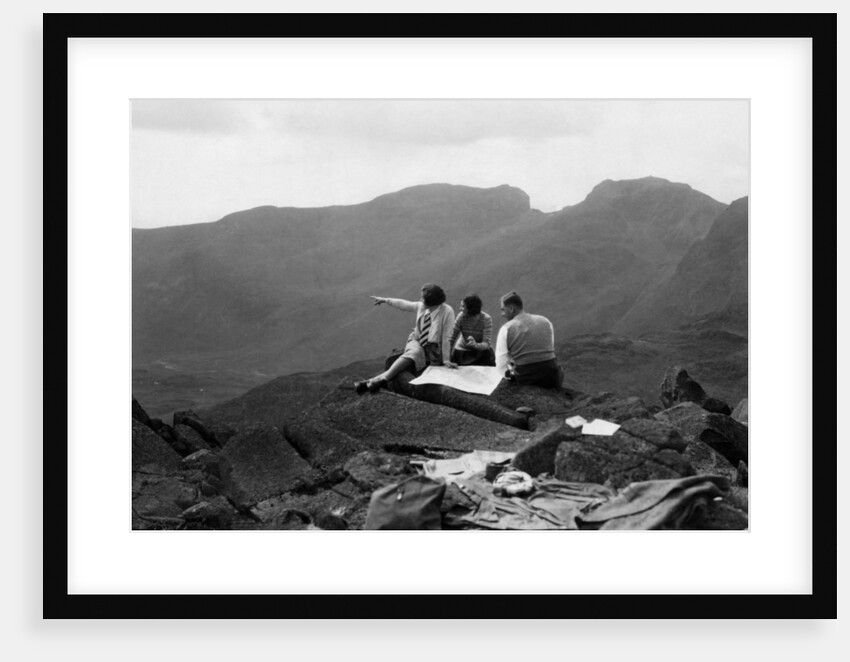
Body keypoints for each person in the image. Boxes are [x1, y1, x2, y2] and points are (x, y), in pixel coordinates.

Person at [354, 283, 456, 394]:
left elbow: (447, 336)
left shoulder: (447, 312)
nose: (420, 300)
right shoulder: (422, 307)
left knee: (409, 360)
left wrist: (446, 359)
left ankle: (370, 381)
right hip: (416, 339)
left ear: (431, 302)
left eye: (422, 298)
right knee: (415, 352)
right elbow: (405, 304)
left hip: (433, 349)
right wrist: (385, 300)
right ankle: (384, 379)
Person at [494, 290, 563, 389]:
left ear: (511, 308)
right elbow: (549, 350)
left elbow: (501, 364)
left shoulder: (506, 329)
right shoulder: (545, 321)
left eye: (503, 310)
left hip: (527, 379)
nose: (502, 314)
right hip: (553, 377)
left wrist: (508, 377)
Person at [446, 293, 495, 367]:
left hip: (481, 353)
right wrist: (447, 358)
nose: (460, 309)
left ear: (471, 308)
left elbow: (486, 344)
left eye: (463, 306)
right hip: (462, 352)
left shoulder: (486, 319)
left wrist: (475, 345)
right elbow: (451, 338)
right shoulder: (461, 317)